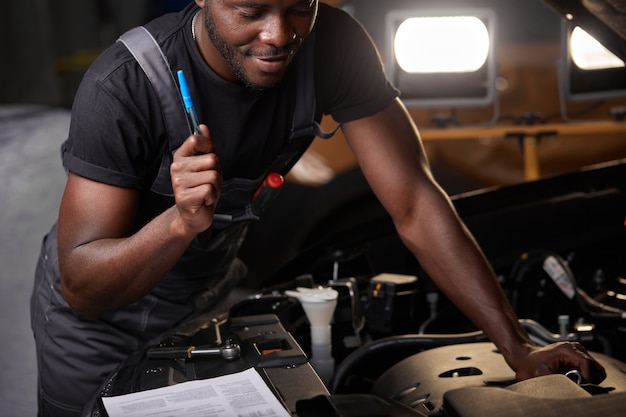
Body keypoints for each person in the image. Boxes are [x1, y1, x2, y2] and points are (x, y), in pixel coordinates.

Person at [30, 0, 606, 416]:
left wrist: (518, 348)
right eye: (251, 10)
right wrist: (180, 221)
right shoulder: (123, 84)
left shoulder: (333, 44)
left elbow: (414, 202)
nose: (278, 35)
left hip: (202, 300)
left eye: (296, 7)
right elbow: (84, 285)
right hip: (97, 327)